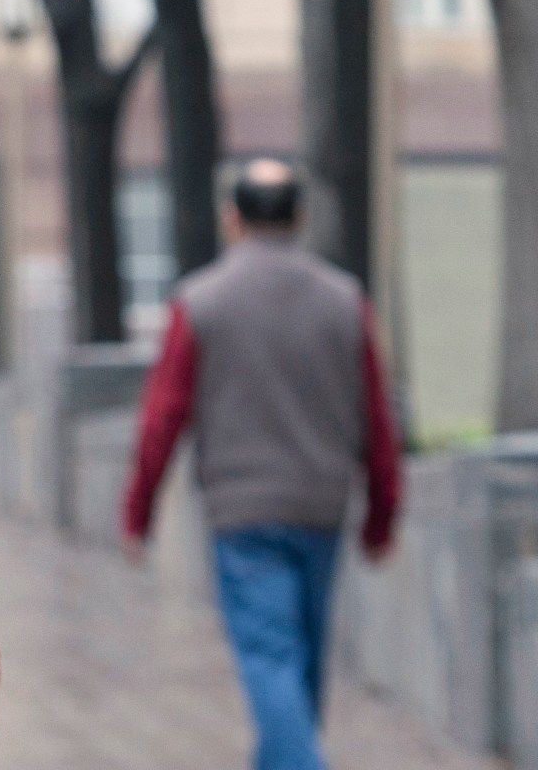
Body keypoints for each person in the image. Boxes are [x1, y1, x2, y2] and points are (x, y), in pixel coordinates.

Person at [121, 158, 401, 770]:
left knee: (270, 657)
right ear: (299, 217)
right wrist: (382, 515)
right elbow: (377, 416)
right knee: (301, 663)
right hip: (322, 506)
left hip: (241, 511)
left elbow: (162, 416)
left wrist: (138, 512)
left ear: (232, 219)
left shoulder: (200, 302)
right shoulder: (344, 300)